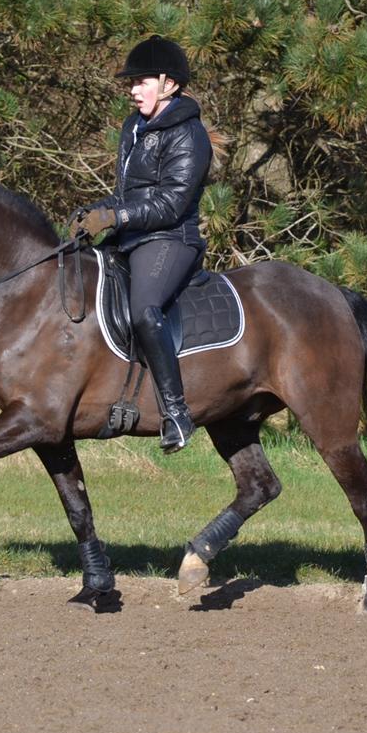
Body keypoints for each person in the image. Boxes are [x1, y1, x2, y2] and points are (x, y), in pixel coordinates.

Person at [70, 35, 212, 453]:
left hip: (171, 238)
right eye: (132, 83)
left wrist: (116, 217)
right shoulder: (134, 126)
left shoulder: (189, 134)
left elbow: (171, 204)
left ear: (169, 84)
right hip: (131, 236)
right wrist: (96, 211)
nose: (133, 90)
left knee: (144, 311)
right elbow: (126, 193)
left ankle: (176, 413)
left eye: (141, 81)